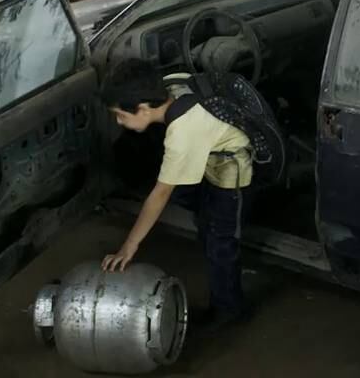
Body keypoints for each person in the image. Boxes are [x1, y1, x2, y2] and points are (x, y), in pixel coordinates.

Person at [99, 58, 253, 328]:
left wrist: (128, 246)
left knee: (220, 243)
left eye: (121, 115)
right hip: (209, 160)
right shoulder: (175, 84)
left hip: (232, 176)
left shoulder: (182, 134)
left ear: (144, 108)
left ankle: (229, 309)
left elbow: (161, 194)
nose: (118, 121)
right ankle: (208, 227)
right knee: (206, 222)